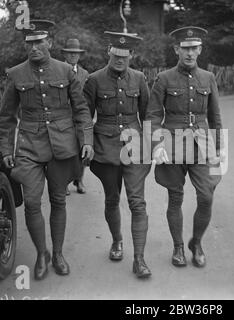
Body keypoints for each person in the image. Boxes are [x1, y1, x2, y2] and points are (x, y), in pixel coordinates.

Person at [0, 19, 94, 280]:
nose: (34, 47)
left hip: (62, 145)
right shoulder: (16, 74)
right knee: (31, 201)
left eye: (39, 41)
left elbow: (81, 109)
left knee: (58, 200)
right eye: (29, 43)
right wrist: (7, 148)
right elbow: (7, 117)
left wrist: (86, 140)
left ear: (49, 43)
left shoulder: (65, 71)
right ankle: (42, 253)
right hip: (29, 146)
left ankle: (58, 253)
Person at [145, 26, 225, 268]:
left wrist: (219, 147)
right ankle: (178, 246)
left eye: (194, 48)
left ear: (200, 50)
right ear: (176, 49)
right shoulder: (164, 78)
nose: (190, 53)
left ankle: (196, 242)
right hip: (171, 143)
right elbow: (153, 114)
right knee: (175, 198)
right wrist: (157, 145)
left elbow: (215, 115)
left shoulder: (208, 78)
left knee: (206, 196)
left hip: (202, 144)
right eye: (185, 48)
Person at [83, 31, 152, 278]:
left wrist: (153, 144)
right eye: (116, 54)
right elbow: (84, 117)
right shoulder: (93, 80)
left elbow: (148, 114)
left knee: (137, 202)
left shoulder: (140, 78)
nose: (120, 59)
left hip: (134, 148)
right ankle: (117, 241)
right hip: (105, 149)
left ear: (131, 55)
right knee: (112, 199)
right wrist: (87, 143)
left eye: (125, 55)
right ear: (108, 53)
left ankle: (140, 259)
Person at [61, 38, 89, 195]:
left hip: (80, 118)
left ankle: (79, 180)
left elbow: (89, 98)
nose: (73, 56)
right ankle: (64, 182)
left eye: (76, 54)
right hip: (63, 118)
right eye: (70, 53)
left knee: (82, 151)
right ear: (65, 54)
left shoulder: (85, 74)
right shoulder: (58, 70)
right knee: (64, 151)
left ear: (79, 56)